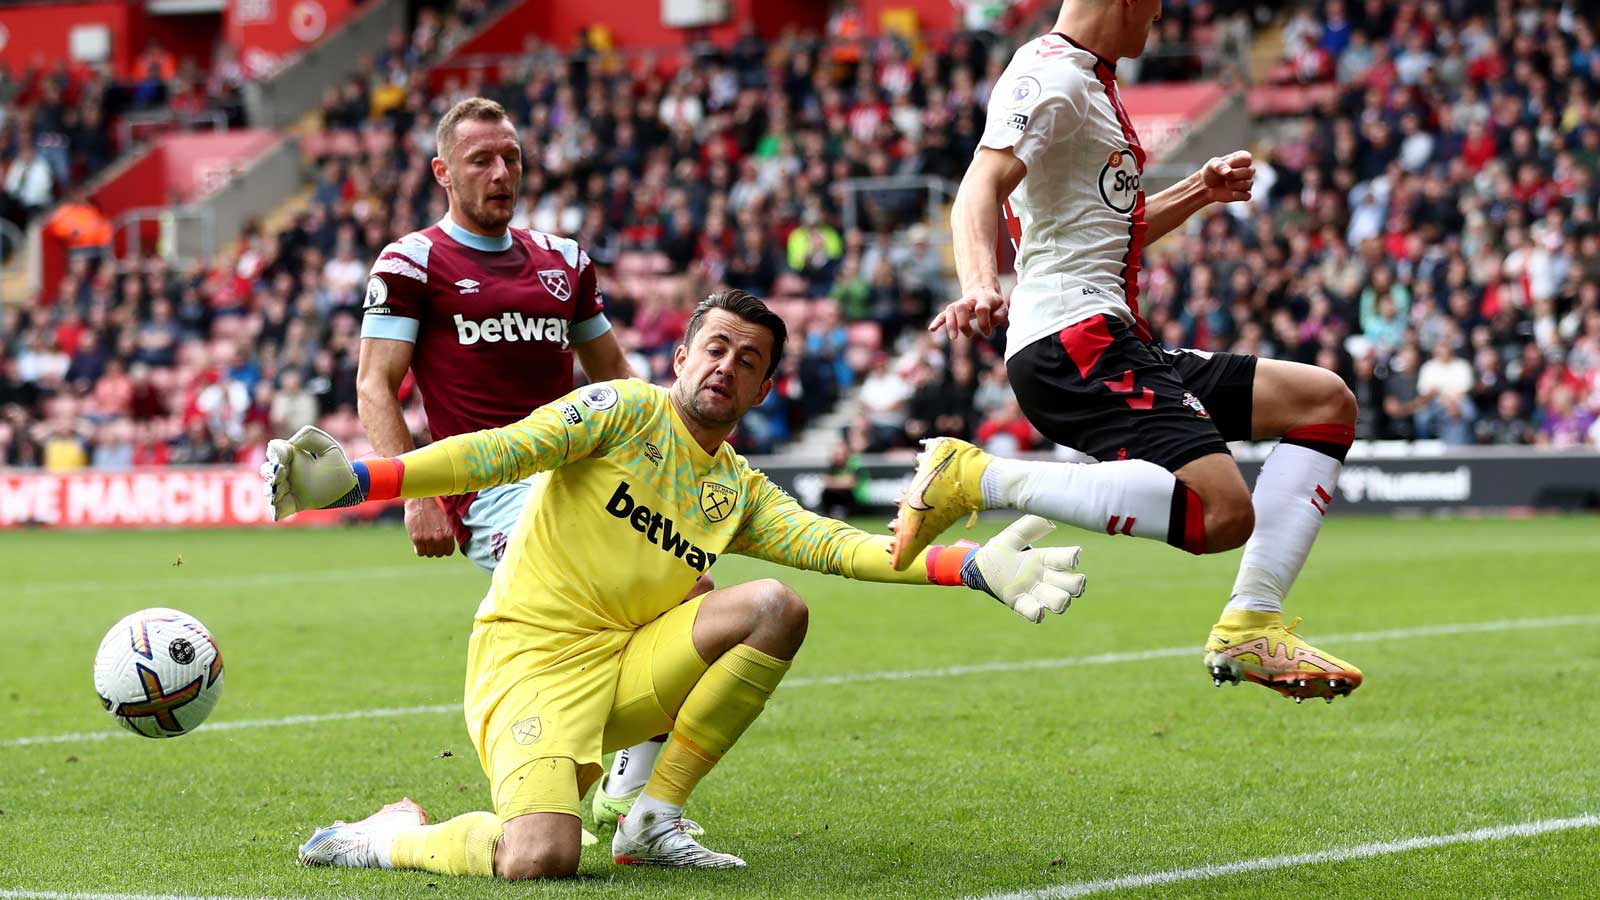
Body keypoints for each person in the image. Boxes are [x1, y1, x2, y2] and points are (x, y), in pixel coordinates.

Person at [262, 290, 1087, 877]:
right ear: (684, 356)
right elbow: (496, 452)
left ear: (765, 391)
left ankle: (652, 816)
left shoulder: (738, 489)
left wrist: (971, 563)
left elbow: (841, 547)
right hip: (529, 666)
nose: (728, 366)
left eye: (750, 360)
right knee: (539, 859)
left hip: (627, 668)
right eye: (717, 347)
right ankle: (389, 836)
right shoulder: (619, 410)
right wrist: (365, 479)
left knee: (775, 605)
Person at [896, 0, 1363, 704]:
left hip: (1108, 334)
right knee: (1224, 514)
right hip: (1073, 339)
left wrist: (1198, 192)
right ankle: (979, 477)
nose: (1162, 16)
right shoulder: (1049, 74)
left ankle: (1252, 622)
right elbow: (978, 186)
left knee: (1324, 403)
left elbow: (1111, 236)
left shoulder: (1092, 81)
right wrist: (979, 283)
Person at [355, 97, 680, 832]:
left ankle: (628, 794)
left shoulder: (565, 262)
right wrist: (414, 493)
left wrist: (665, 464)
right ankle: (577, 785)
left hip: (580, 478)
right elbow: (376, 383)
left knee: (688, 590)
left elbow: (617, 381)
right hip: (495, 496)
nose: (502, 173)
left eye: (512, 159)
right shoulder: (413, 262)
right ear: (443, 172)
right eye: (481, 161)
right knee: (617, 609)